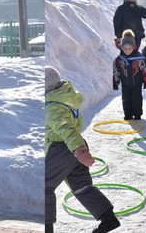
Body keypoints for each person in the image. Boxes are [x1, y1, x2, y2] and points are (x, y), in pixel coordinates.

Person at [44, 66, 119, 233]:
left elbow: (66, 128)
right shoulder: (64, 97)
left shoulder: (51, 105)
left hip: (62, 148)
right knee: (82, 186)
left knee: (43, 187)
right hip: (74, 146)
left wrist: (79, 150)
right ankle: (108, 219)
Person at [112, 30, 146, 120]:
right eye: (125, 48)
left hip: (137, 82)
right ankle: (128, 114)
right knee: (126, 99)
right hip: (125, 83)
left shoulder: (139, 58)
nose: (127, 51)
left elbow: (144, 70)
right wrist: (116, 82)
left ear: (133, 47)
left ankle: (137, 114)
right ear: (121, 48)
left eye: (129, 48)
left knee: (136, 99)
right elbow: (116, 71)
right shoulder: (119, 59)